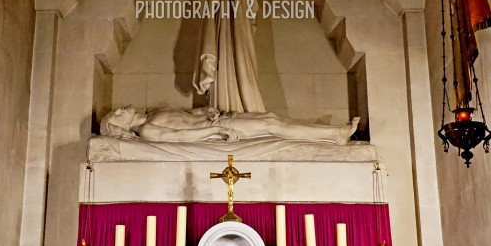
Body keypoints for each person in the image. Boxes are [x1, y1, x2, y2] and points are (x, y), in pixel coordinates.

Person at [192, 0, 266, 113]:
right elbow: (204, 0)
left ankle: (249, 109)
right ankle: (223, 109)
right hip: (217, 26)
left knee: (243, 63)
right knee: (221, 63)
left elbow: (252, 0)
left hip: (241, 26)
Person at [98, 105, 358, 145]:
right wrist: (216, 130)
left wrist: (206, 111)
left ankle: (334, 133)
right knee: (271, 125)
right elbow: (182, 137)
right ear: (121, 127)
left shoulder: (153, 111)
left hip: (218, 118)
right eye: (117, 114)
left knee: (271, 118)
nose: (121, 108)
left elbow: (188, 115)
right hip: (220, 128)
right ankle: (336, 134)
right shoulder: (147, 130)